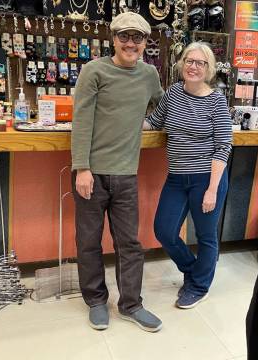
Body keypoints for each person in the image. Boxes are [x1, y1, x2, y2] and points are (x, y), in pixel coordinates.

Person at [70, 11, 165, 332]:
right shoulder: (93, 71)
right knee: (89, 241)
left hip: (126, 174)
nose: (130, 43)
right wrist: (82, 168)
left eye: (137, 38)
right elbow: (82, 121)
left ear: (145, 43)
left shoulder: (149, 74)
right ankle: (96, 301)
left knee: (129, 244)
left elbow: (163, 106)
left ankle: (131, 304)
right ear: (113, 39)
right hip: (92, 173)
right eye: (124, 36)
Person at [144, 42, 233, 309]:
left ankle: (199, 286)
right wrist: (125, 122)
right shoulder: (173, 93)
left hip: (207, 178)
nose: (193, 67)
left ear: (209, 69)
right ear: (182, 63)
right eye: (189, 61)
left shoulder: (216, 100)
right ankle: (192, 269)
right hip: (176, 177)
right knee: (164, 231)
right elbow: (154, 121)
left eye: (200, 63)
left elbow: (223, 146)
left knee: (205, 235)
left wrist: (212, 189)